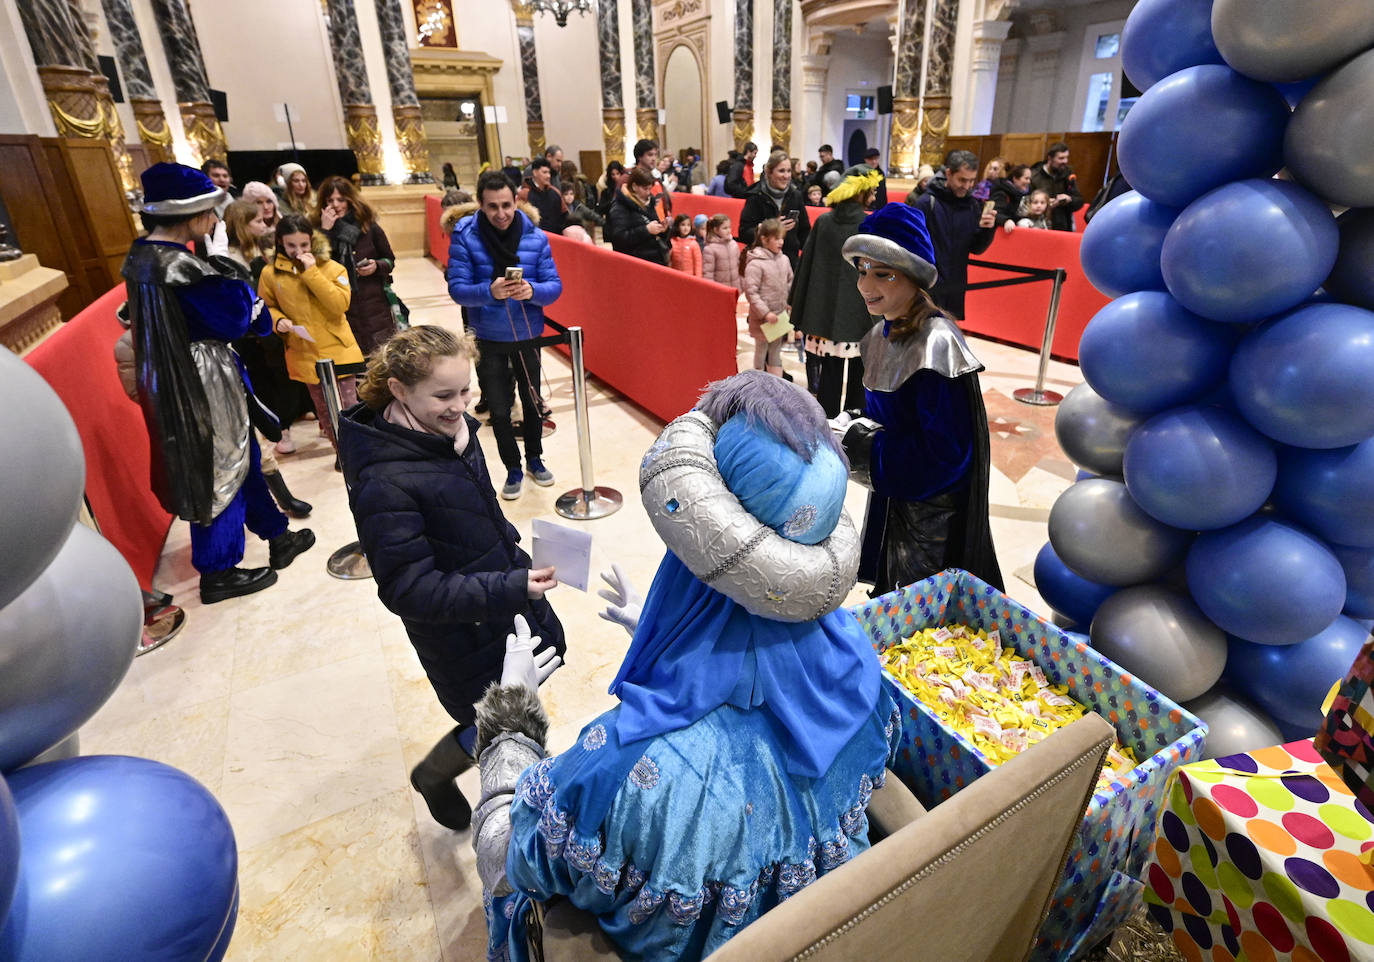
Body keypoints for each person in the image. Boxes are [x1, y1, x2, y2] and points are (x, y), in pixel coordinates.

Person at [470, 370, 901, 961]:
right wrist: (675, 638)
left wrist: (510, 726)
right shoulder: (862, 673)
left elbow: (511, 856)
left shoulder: (623, 766)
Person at [339, 325, 566, 832]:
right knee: (490, 717)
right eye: (443, 394)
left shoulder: (455, 433)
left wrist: (513, 550)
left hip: (501, 599)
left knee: (515, 704)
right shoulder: (383, 480)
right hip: (460, 628)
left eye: (466, 391)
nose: (460, 405)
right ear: (398, 389)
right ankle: (434, 776)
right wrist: (508, 586)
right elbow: (407, 589)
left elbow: (473, 509)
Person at [121, 163, 315, 605]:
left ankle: (277, 535)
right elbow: (238, 318)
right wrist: (228, 268)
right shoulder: (180, 266)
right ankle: (218, 570)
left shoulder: (142, 258)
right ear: (189, 213)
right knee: (218, 465)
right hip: (199, 378)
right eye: (210, 211)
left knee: (239, 455)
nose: (214, 220)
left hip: (174, 373)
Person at [833, 202, 1004, 594]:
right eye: (862, 270)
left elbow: (948, 457)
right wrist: (852, 423)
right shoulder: (879, 335)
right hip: (893, 502)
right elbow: (891, 415)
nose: (865, 286)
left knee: (917, 617)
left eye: (883, 274)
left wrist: (864, 449)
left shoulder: (936, 343)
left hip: (930, 521)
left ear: (913, 277)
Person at [446, 169, 563, 500]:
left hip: (527, 334)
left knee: (532, 402)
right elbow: (457, 288)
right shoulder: (466, 236)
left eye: (507, 205)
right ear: (480, 205)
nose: (501, 214)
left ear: (517, 201)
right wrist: (490, 291)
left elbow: (554, 286)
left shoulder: (535, 237)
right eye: (492, 206)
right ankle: (512, 468)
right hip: (487, 336)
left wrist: (532, 291)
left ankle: (535, 460)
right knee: (498, 409)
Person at [258, 212, 363, 456]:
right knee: (325, 411)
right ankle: (342, 455)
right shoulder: (270, 274)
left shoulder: (333, 268)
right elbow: (267, 306)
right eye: (291, 245)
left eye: (304, 244)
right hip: (304, 350)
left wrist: (311, 272)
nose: (298, 250)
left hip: (339, 347)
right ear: (280, 242)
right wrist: (279, 320)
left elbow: (339, 304)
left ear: (312, 241)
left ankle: (360, 453)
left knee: (351, 407)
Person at [790, 165, 882, 417]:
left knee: (828, 373)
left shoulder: (823, 221)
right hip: (864, 312)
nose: (874, 197)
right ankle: (854, 427)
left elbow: (806, 267)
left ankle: (827, 427)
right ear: (859, 192)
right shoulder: (870, 224)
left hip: (826, 314)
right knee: (859, 376)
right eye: (871, 192)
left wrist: (798, 305)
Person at [315, 175, 401, 357]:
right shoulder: (318, 230)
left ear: (350, 199)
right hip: (342, 305)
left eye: (341, 199)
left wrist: (376, 266)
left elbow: (389, 259)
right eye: (330, 200)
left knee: (383, 357)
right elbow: (317, 266)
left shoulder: (368, 226)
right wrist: (325, 232)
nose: (336, 205)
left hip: (374, 302)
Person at [907, 149, 996, 319]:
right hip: (928, 287)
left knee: (946, 337)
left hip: (955, 286)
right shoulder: (926, 203)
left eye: (971, 181)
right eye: (962, 180)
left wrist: (987, 229)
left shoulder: (972, 206)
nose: (967, 186)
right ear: (948, 173)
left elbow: (977, 248)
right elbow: (911, 245)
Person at [739, 151, 811, 269]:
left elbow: (805, 232)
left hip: (790, 262)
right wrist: (771, 227)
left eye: (788, 171)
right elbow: (744, 232)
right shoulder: (756, 197)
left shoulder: (795, 195)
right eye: (781, 171)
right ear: (769, 172)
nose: (786, 176)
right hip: (763, 263)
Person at [742, 218, 793, 378]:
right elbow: (751, 292)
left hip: (780, 316)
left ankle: (775, 383)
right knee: (761, 351)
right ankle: (757, 383)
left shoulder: (784, 259)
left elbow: (790, 281)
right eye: (777, 238)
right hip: (763, 319)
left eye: (782, 238)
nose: (781, 242)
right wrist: (765, 313)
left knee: (776, 352)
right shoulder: (755, 263)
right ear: (764, 239)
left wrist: (790, 303)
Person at [606, 167, 669, 265]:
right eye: (645, 189)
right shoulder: (620, 206)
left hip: (653, 259)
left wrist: (662, 229)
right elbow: (619, 238)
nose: (648, 193)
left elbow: (652, 224)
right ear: (634, 186)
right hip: (634, 263)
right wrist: (646, 230)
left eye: (649, 188)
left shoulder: (648, 202)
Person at [1029, 142, 1084, 231]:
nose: (1065, 161)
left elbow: (1079, 201)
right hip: (1040, 226)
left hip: (1063, 225)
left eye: (1066, 157)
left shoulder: (1068, 174)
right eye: (1061, 158)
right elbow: (1025, 201)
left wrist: (1069, 199)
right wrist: (1045, 203)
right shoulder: (1034, 175)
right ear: (1050, 158)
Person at [518, 157, 567, 237]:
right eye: (544, 172)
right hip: (534, 239)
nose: (548, 176)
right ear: (535, 172)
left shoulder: (555, 192)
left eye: (549, 173)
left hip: (557, 238)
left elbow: (565, 216)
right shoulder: (524, 194)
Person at [632, 139, 672, 224]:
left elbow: (663, 204)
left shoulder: (656, 179)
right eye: (650, 155)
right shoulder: (630, 179)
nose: (654, 158)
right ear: (640, 157)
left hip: (661, 228)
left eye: (655, 155)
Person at [701, 213, 739, 289]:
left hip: (735, 289)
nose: (728, 230)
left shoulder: (734, 244)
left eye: (729, 227)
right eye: (725, 228)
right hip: (720, 290)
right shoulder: (710, 249)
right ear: (716, 230)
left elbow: (739, 268)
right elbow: (708, 274)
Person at [990, 163, 1031, 229]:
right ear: (1015, 178)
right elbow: (995, 213)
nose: (1029, 182)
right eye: (1026, 178)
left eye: (1029, 179)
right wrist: (1006, 220)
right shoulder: (1001, 193)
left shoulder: (1025, 195)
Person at [667, 213, 702, 277]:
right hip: (675, 275)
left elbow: (698, 264)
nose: (686, 228)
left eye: (688, 225)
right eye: (683, 225)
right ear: (677, 226)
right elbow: (669, 261)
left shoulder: (694, 244)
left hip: (690, 277)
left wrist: (698, 278)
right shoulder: (672, 242)